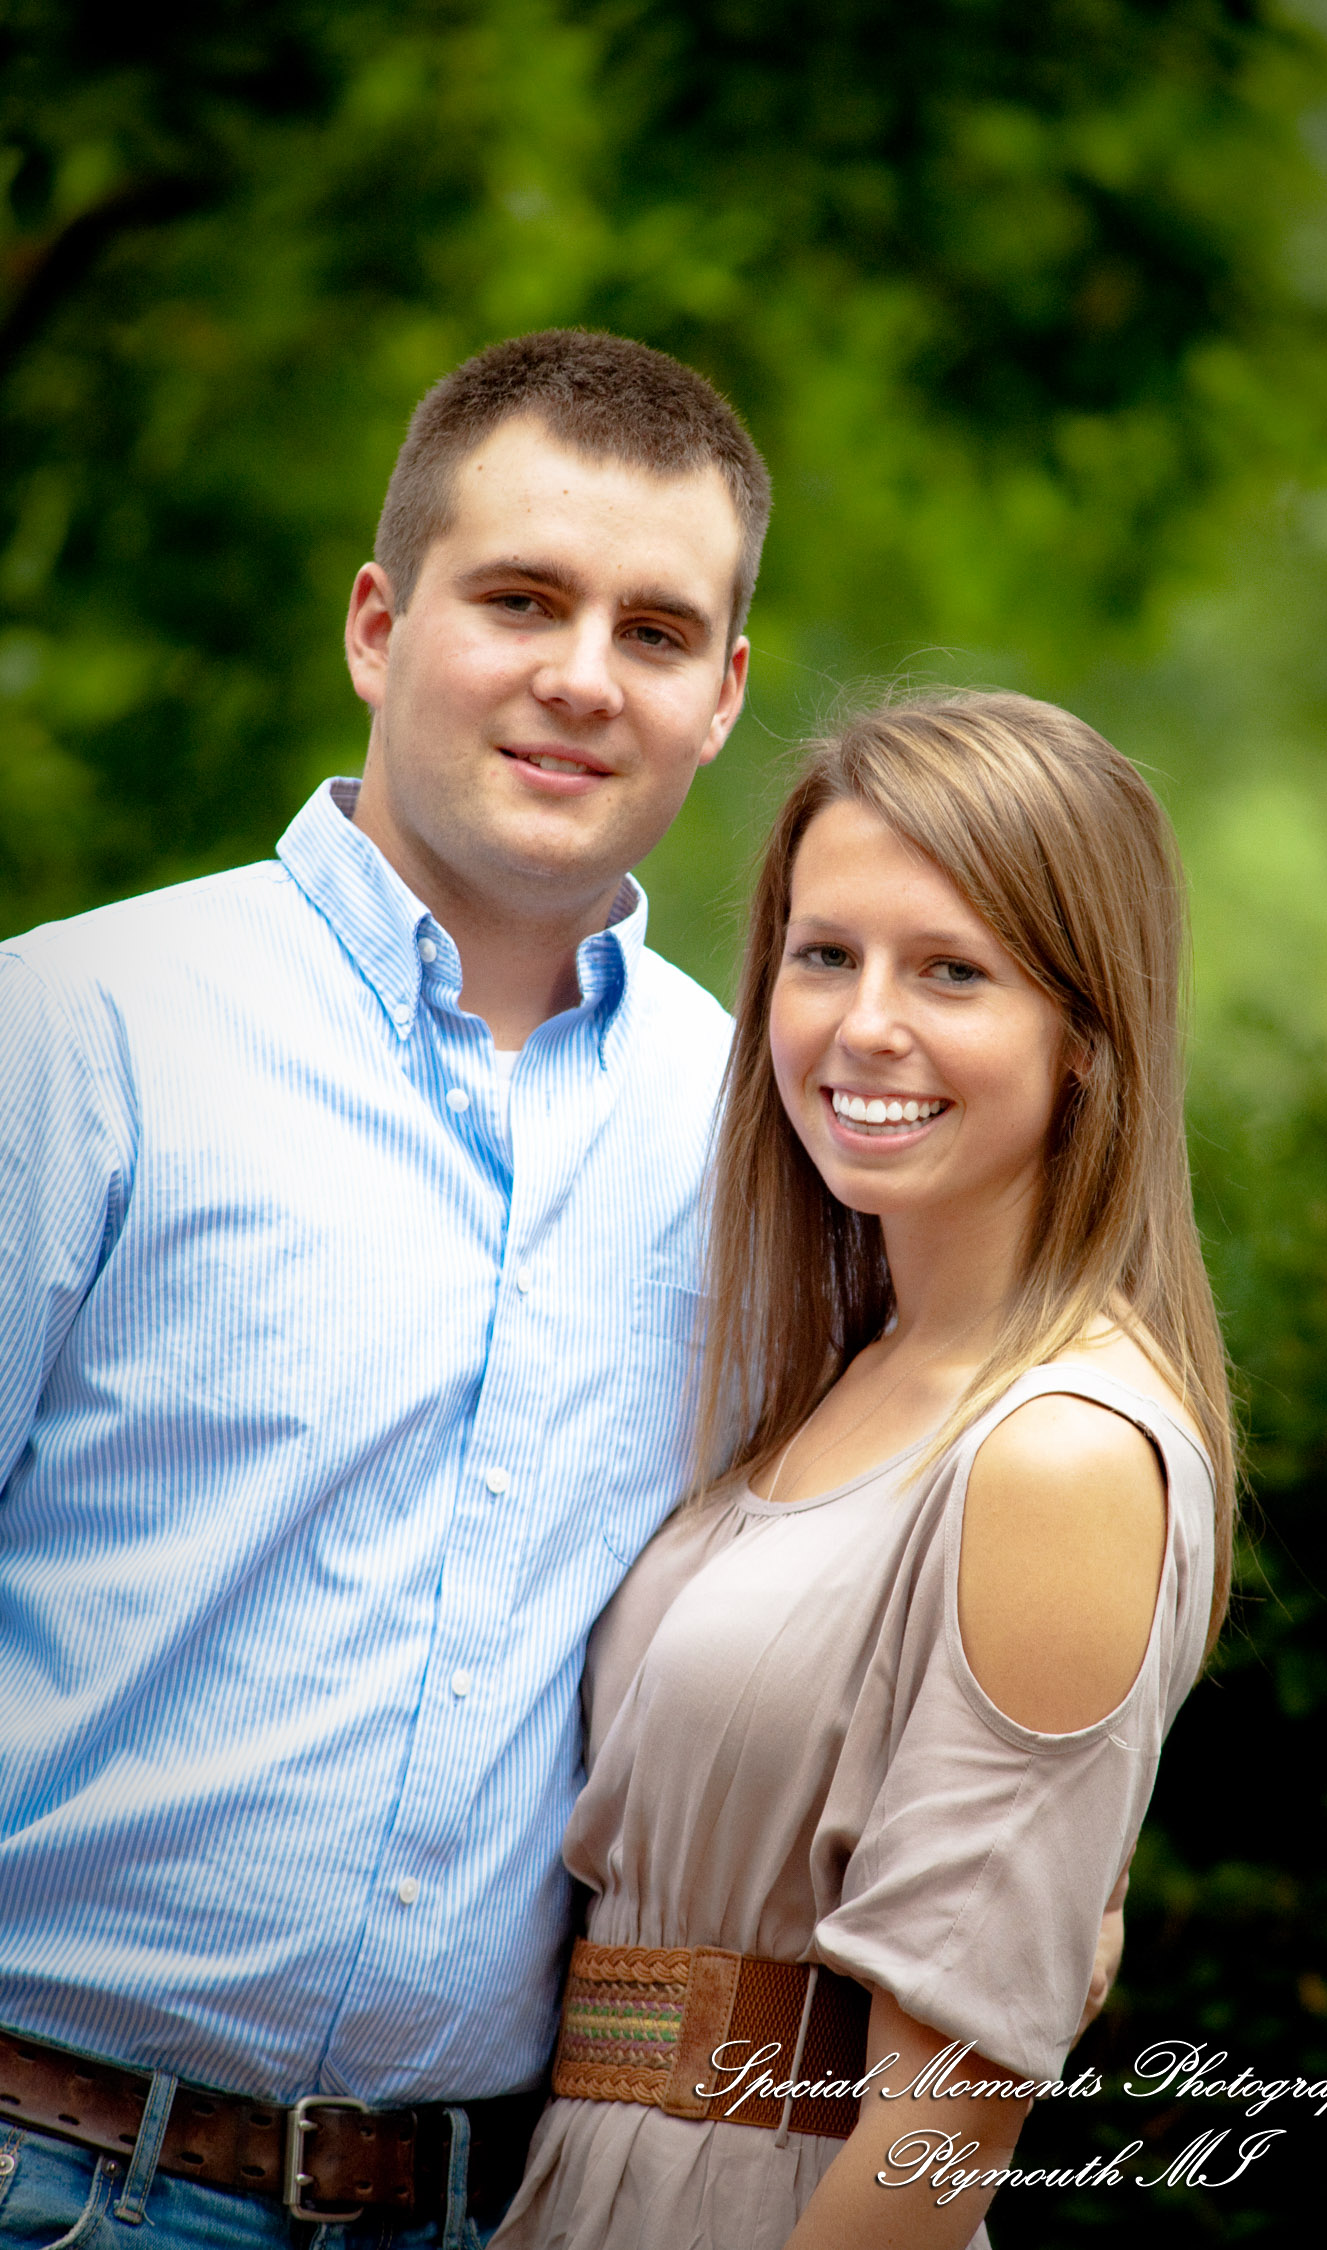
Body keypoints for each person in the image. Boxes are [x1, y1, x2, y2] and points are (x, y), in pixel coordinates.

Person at [0, 329, 770, 2247]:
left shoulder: (756, 1136)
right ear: (376, 623)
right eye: (520, 597)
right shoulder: (78, 1035)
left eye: (656, 631)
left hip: (478, 2208)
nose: (582, 677)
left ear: (725, 695)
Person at [493, 689, 1237, 2250]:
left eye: (952, 971)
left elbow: (940, 2129)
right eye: (826, 954)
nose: (864, 1023)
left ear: (1086, 1035)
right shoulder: (837, 1372)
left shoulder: (1059, 1450)